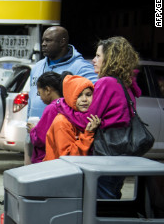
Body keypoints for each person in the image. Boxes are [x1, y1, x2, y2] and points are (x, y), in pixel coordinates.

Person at [55, 36, 140, 199]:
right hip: (121, 154)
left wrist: (61, 103)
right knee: (111, 199)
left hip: (106, 156)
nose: (93, 60)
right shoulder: (125, 83)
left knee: (101, 206)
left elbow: (84, 120)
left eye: (98, 56)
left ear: (110, 59)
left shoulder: (106, 83)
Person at [28, 26, 97, 119]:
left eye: (48, 40)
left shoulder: (82, 68)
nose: (43, 44)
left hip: (61, 130)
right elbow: (31, 100)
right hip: (35, 129)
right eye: (43, 40)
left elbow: (95, 101)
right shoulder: (37, 67)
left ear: (62, 42)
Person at [43, 75, 101, 161]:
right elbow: (67, 157)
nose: (84, 99)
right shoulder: (62, 122)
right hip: (60, 171)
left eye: (88, 95)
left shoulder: (90, 118)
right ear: (70, 97)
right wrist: (88, 134)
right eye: (78, 96)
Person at [27, 71, 64, 163]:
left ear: (47, 90)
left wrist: (32, 130)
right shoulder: (64, 104)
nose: (40, 97)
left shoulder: (51, 108)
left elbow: (41, 139)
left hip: (45, 158)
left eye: (39, 93)